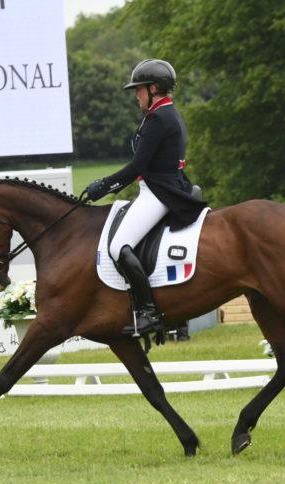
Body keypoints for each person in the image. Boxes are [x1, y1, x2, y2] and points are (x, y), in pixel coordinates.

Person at [85, 59, 207, 340]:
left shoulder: (159, 118)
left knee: (118, 246)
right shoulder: (163, 115)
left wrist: (105, 185)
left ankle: (149, 312)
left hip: (160, 192)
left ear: (153, 88)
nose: (136, 95)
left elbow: (137, 166)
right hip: (156, 188)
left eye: (138, 89)